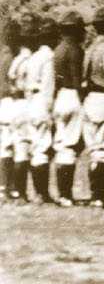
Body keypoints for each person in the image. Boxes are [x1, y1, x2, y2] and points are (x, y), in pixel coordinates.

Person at [50, 11, 87, 206]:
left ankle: (62, 193)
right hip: (72, 95)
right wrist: (82, 100)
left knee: (62, 145)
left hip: (61, 97)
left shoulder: (58, 49)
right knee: (70, 146)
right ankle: (66, 194)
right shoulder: (75, 50)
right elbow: (76, 79)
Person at [81, 7, 104, 207]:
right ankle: (101, 194)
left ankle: (96, 193)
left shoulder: (90, 48)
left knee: (95, 148)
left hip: (91, 99)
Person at [21, 16, 57, 203]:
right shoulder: (49, 57)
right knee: (42, 147)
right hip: (42, 101)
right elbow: (49, 86)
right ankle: (43, 193)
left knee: (35, 147)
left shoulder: (34, 57)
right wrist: (49, 110)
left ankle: (38, 192)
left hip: (31, 101)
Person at [0, 18, 21, 200]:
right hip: (8, 101)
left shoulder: (3, 55)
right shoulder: (9, 57)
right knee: (8, 146)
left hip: (4, 102)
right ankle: (6, 185)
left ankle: (6, 185)